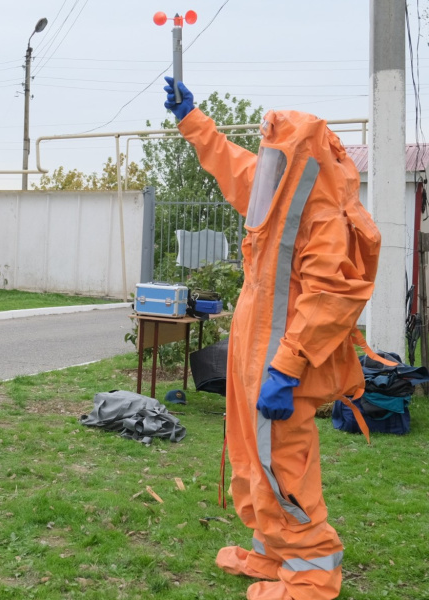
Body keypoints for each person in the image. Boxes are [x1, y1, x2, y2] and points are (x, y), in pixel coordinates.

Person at [163, 76, 380, 600]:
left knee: (281, 460)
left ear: (300, 161)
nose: (266, 164)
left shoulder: (323, 217)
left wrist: (288, 365)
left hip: (283, 363)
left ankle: (312, 572)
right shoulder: (278, 189)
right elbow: (231, 163)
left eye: (276, 155)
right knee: (250, 454)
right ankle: (273, 550)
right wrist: (192, 120)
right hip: (254, 353)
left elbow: (331, 297)